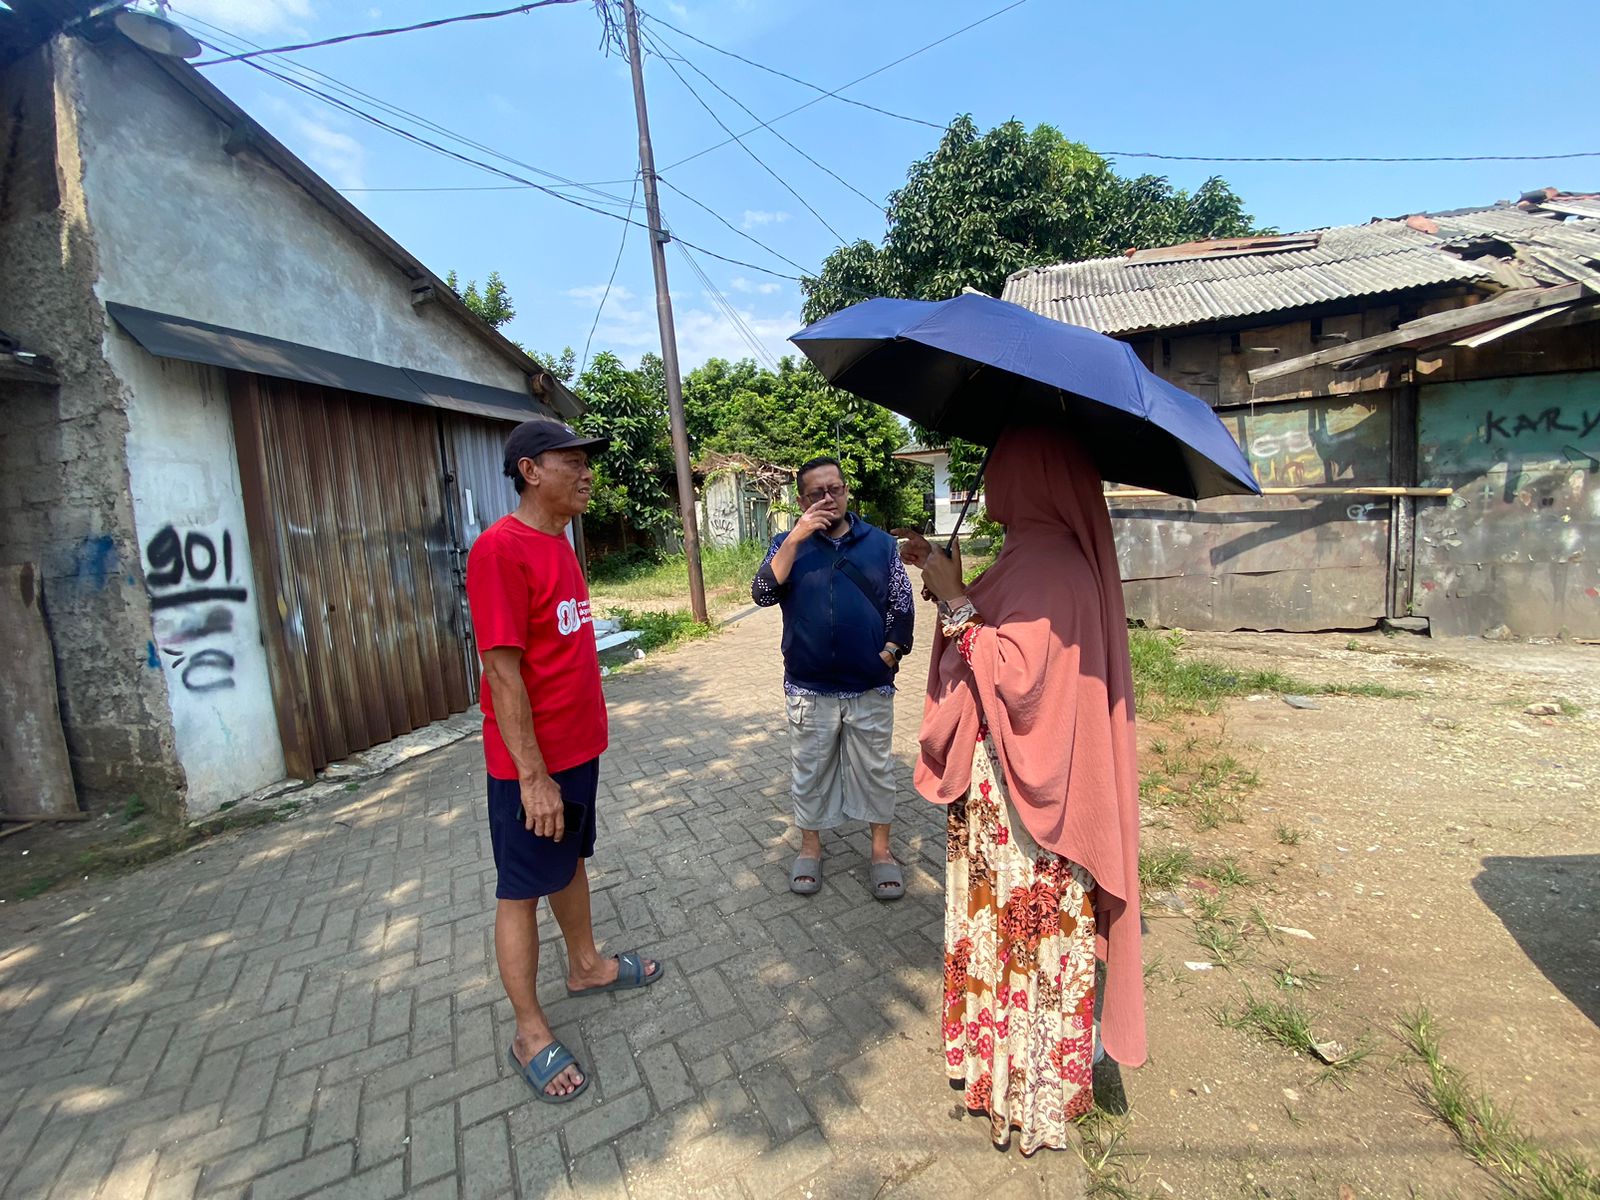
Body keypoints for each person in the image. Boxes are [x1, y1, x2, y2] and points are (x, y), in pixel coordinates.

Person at [895, 425, 1145, 1154]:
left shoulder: (1048, 567)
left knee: (1019, 939)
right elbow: (995, 644)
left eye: (1000, 461)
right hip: (1008, 796)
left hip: (1022, 809)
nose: (990, 475)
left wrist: (959, 603)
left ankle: (1020, 1083)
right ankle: (998, 1065)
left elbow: (1018, 681)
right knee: (1010, 939)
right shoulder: (1036, 556)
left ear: (1034, 472)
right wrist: (955, 585)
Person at [465, 418, 665, 1105]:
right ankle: (527, 1030)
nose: (587, 473)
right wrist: (531, 775)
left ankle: (586, 966)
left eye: (588, 462)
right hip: (532, 767)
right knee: (521, 888)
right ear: (530, 470)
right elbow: (501, 672)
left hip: (576, 755)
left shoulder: (560, 544)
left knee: (571, 860)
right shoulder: (500, 550)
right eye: (571, 461)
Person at [751, 455, 915, 899]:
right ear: (802, 500)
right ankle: (810, 848)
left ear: (846, 491)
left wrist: (889, 653)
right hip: (810, 687)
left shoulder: (880, 545)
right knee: (811, 771)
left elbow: (902, 606)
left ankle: (881, 852)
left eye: (835, 489)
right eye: (816, 493)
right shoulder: (787, 543)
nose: (828, 498)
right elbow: (763, 593)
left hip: (869, 685)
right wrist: (798, 536)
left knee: (876, 771)